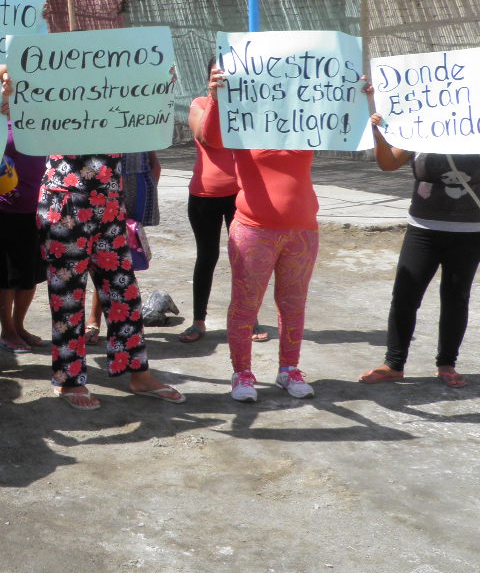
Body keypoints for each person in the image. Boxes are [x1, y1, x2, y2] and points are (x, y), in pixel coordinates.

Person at [202, 64, 353, 403]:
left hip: (301, 231)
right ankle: (242, 373)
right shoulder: (243, 120)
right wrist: (215, 96)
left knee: (293, 305)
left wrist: (357, 95)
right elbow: (210, 138)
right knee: (245, 306)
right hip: (254, 231)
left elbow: (344, 120)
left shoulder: (303, 118)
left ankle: (289, 370)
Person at [359, 108, 480, 388]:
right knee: (405, 297)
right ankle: (394, 364)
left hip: (469, 232)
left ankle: (447, 364)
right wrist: (378, 132)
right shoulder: (417, 123)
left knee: (456, 299)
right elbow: (388, 163)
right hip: (422, 230)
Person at [37, 153, 186, 410]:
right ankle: (68, 379)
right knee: (68, 296)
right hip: (64, 197)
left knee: (124, 291)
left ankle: (138, 374)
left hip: (110, 200)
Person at [180, 69, 240, 343]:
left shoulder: (248, 107)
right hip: (204, 195)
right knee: (207, 256)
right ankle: (198, 321)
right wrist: (215, 99)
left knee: (246, 260)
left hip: (241, 195)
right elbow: (205, 136)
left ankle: (247, 320)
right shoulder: (200, 104)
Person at [86, 151, 160, 343]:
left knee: (123, 258)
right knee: (102, 254)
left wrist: (152, 173)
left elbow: (149, 137)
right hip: (101, 179)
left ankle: (125, 324)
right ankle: (98, 319)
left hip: (136, 180)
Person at [0, 124, 48, 354]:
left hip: (40, 210)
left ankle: (19, 326)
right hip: (6, 211)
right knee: (6, 276)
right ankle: (7, 331)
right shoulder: (0, 121)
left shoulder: (46, 120)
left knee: (31, 274)